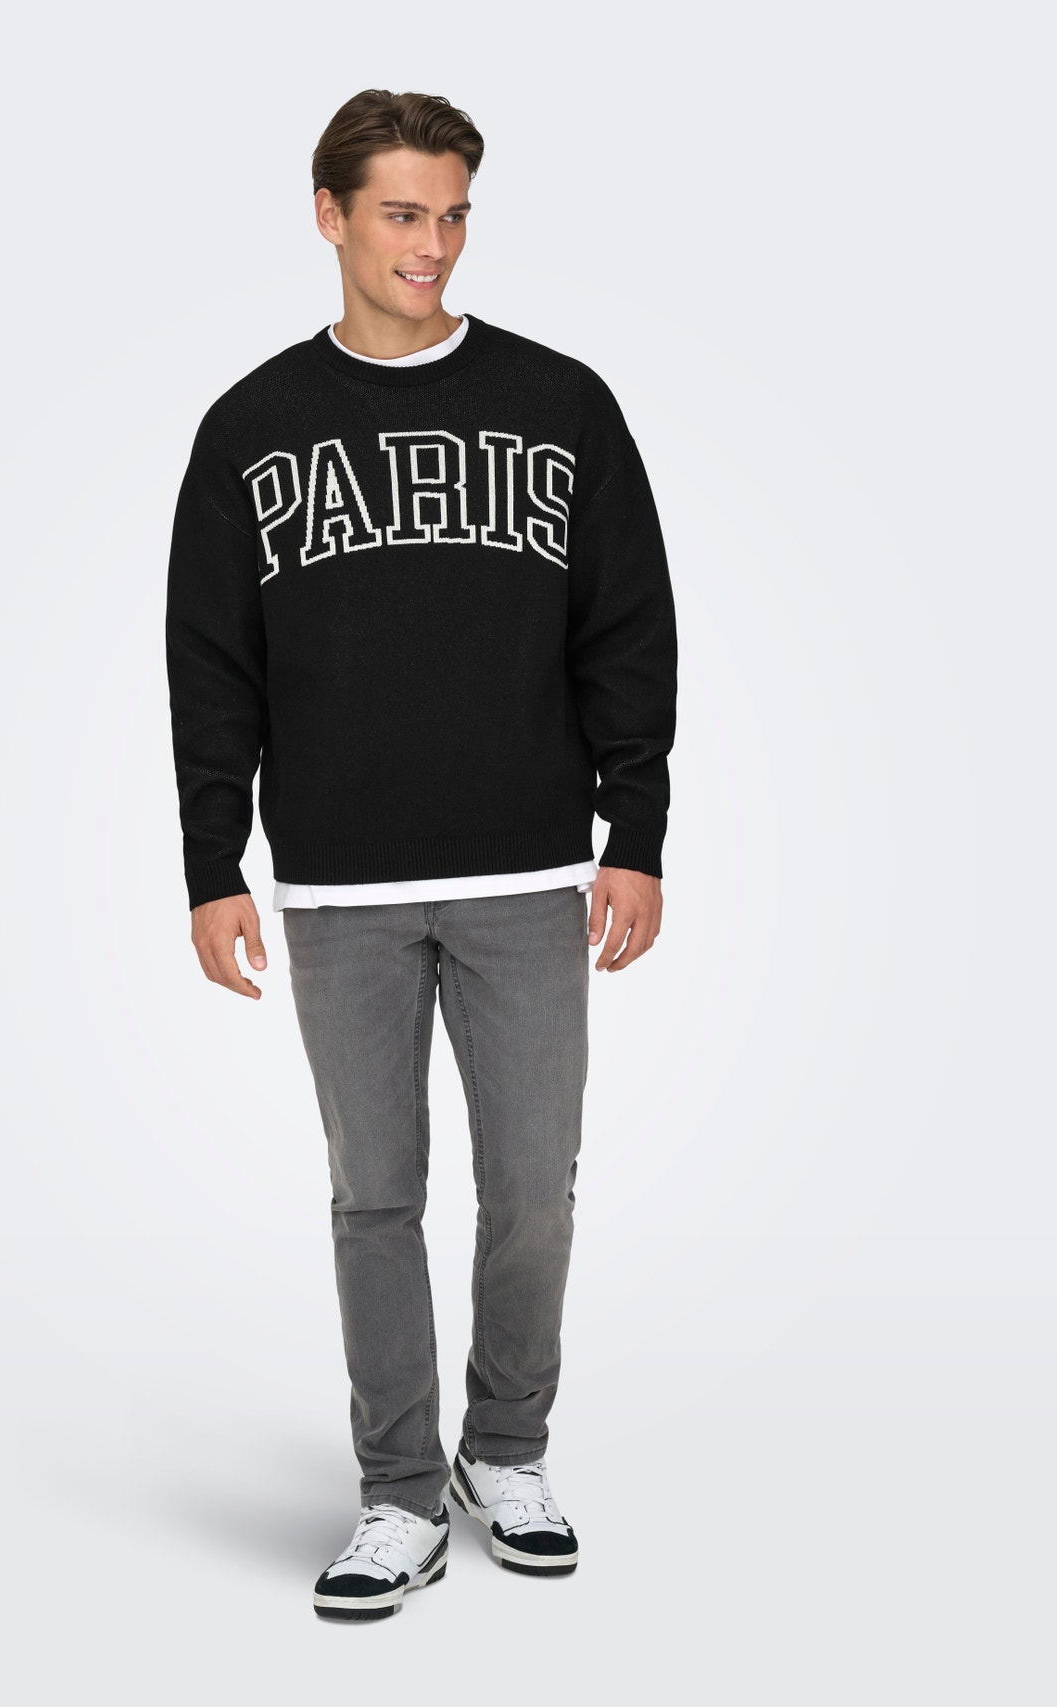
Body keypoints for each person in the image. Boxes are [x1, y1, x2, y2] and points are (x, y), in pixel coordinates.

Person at [164, 88, 678, 1623]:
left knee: (534, 1192)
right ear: (330, 214)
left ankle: (503, 1449)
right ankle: (397, 1493)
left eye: (453, 214)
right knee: (374, 1197)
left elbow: (629, 627)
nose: (433, 245)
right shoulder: (252, 425)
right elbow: (211, 662)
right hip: (340, 886)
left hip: (526, 871)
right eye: (402, 213)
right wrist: (212, 861)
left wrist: (636, 831)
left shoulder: (561, 403)